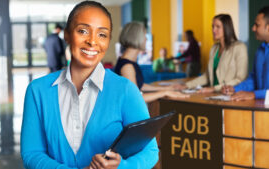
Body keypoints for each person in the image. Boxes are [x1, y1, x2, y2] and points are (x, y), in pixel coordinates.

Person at [21, 1, 159, 169]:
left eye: (102, 34)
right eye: (83, 31)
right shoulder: (37, 91)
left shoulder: (125, 90)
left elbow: (150, 151)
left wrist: (122, 167)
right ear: (67, 35)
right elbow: (32, 153)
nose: (92, 41)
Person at [114, 22, 188, 103]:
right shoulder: (127, 67)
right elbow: (135, 99)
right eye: (144, 36)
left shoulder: (129, 62)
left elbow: (139, 85)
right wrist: (164, 93)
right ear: (137, 38)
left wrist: (167, 88)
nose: (146, 39)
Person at [174, 14, 248, 93]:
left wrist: (214, 88)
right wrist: (186, 85)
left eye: (217, 27)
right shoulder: (214, 48)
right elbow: (207, 76)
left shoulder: (240, 47)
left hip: (231, 95)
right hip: (214, 96)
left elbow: (240, 79)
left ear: (227, 28)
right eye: (213, 26)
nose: (213, 30)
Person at [222, 6, 269, 101]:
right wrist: (235, 88)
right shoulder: (260, 51)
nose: (253, 28)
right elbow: (254, 79)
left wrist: (254, 94)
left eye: (257, 25)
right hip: (260, 109)